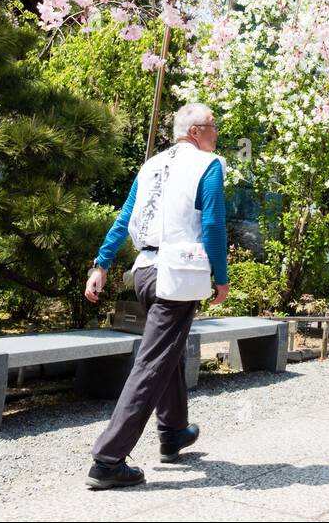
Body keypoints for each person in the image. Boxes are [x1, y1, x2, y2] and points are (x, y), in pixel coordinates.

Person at [83, 102, 230, 490]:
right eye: (213, 126)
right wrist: (222, 276)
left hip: (144, 273)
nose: (217, 133)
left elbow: (124, 217)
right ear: (196, 131)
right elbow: (214, 224)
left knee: (168, 350)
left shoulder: (150, 166)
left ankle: (174, 432)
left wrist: (101, 264)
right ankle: (108, 459)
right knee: (151, 362)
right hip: (177, 275)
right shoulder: (208, 166)